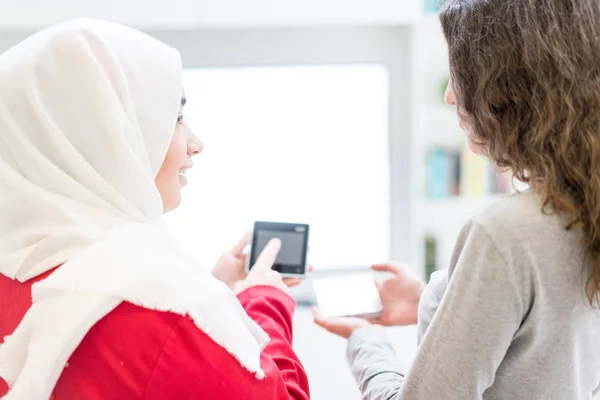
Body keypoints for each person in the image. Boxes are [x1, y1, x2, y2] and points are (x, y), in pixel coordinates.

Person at [0, 19, 310, 400]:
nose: (196, 142)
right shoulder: (168, 314)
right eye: (175, 118)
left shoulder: (18, 273)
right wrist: (264, 297)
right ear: (109, 135)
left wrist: (215, 292)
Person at [314, 0, 600, 399]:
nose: (450, 96)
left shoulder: (509, 233)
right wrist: (438, 301)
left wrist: (367, 341)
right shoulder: (586, 206)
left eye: (460, 75)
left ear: (508, 85)